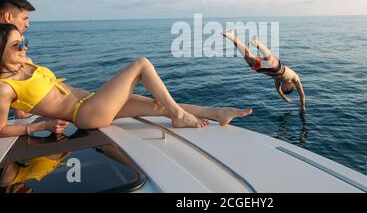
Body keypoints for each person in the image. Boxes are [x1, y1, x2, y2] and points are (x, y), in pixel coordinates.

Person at [0, 24, 252, 137]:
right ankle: (179, 115)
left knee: (156, 105)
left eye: (24, 41)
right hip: (84, 114)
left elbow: (31, 99)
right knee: (141, 64)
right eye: (16, 44)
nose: (23, 47)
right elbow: (0, 129)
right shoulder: (3, 89)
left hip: (92, 100)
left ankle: (216, 113)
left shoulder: (26, 62)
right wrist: (39, 127)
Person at [223, 30, 306, 110]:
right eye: (286, 89)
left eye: (283, 89)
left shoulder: (278, 81)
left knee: (249, 59)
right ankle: (258, 43)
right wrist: (302, 106)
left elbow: (279, 90)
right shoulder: (295, 79)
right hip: (279, 68)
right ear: (291, 86)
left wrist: (284, 98)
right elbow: (302, 94)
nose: (283, 87)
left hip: (267, 71)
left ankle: (232, 36)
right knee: (270, 61)